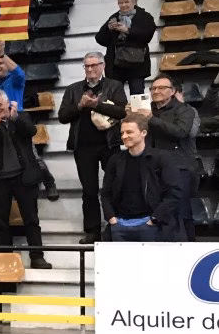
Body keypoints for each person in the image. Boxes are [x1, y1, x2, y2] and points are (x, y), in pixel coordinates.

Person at [0, 43, 60, 201]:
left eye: (0, 63)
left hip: (15, 122)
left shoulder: (16, 81)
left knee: (33, 156)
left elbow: (18, 72)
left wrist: (3, 55)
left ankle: (49, 182)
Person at [57, 52, 127, 243]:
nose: (90, 69)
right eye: (86, 66)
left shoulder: (114, 86)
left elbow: (122, 111)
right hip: (83, 146)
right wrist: (80, 105)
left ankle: (117, 225)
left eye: (94, 65)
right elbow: (63, 116)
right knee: (89, 191)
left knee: (114, 186)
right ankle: (92, 230)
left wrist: (98, 105)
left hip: (109, 144)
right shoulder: (73, 90)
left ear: (102, 65)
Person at [0, 91, 52, 269]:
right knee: (0, 222)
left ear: (8, 104)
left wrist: (15, 119)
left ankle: (37, 257)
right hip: (0, 179)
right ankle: (4, 258)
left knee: (31, 219)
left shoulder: (21, 117)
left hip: (24, 176)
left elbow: (31, 131)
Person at [129, 74, 200, 241]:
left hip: (180, 167)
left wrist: (151, 119)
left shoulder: (185, 110)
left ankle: (187, 249)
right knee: (153, 212)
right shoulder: (147, 110)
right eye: (153, 88)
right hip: (152, 168)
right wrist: (132, 117)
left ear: (173, 91)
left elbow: (180, 132)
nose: (156, 91)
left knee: (180, 211)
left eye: (161, 88)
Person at [101, 115, 182, 241]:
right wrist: (112, 219)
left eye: (129, 132)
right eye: (122, 133)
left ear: (143, 132)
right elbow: (106, 193)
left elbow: (174, 192)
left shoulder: (161, 158)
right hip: (120, 225)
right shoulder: (115, 160)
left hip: (150, 226)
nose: (124, 136)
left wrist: (155, 219)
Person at [96, 0, 156, 96]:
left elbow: (147, 36)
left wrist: (127, 31)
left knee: (137, 95)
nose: (123, 5)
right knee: (114, 95)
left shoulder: (144, 16)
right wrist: (108, 29)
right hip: (116, 65)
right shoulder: (114, 17)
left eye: (126, 2)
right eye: (120, 2)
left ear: (134, 2)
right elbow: (100, 39)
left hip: (137, 64)